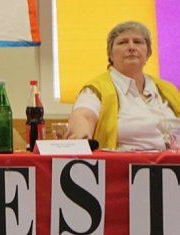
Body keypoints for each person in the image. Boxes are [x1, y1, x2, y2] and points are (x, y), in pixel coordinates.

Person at [66, 20, 180, 151]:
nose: (131, 47)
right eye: (123, 42)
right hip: (124, 162)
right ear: (110, 54)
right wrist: (81, 133)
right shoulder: (97, 88)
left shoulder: (168, 89)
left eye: (138, 42)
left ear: (148, 52)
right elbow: (83, 116)